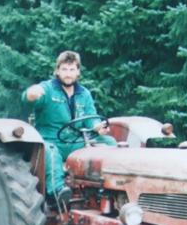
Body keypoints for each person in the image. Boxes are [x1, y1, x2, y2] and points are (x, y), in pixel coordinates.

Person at [22, 50, 116, 204]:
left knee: (109, 142)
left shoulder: (84, 94)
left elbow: (90, 119)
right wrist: (30, 94)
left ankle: (106, 187)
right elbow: (29, 98)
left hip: (75, 142)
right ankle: (58, 191)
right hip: (51, 140)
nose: (68, 73)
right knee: (51, 152)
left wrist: (98, 127)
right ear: (57, 70)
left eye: (72, 69)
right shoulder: (47, 88)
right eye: (64, 69)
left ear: (78, 72)